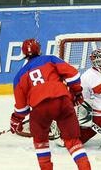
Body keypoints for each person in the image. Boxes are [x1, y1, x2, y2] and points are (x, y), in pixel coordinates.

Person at [10, 39, 91, 170]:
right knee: (73, 142)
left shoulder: (19, 76)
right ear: (39, 50)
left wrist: (16, 119)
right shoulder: (50, 59)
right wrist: (76, 92)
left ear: (23, 54)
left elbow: (21, 108)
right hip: (62, 101)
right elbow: (74, 76)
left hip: (40, 109)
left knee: (41, 142)